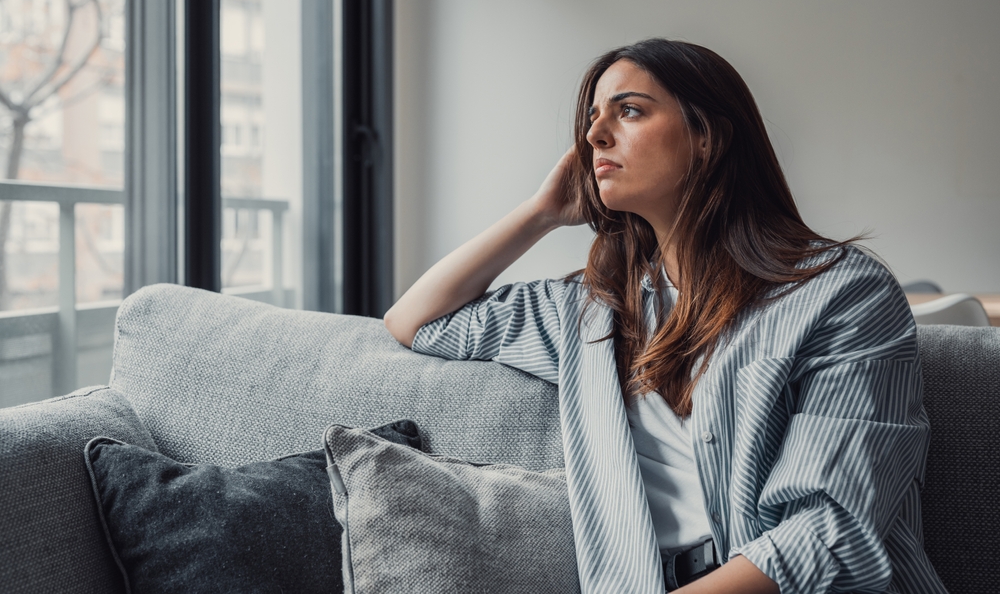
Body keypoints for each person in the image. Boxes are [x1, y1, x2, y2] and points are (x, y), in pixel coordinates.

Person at [384, 39, 946, 593]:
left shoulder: (843, 294)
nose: (594, 135)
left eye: (629, 111)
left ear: (707, 138)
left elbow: (830, 532)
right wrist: (541, 214)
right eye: (592, 117)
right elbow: (416, 319)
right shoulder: (593, 312)